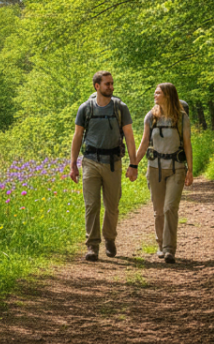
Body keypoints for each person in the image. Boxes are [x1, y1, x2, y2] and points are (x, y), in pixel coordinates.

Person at [69, 71, 138, 261]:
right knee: (91, 205)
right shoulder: (85, 108)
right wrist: (73, 164)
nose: (111, 87)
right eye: (107, 84)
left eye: (112, 83)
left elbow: (130, 137)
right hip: (90, 161)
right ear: (97, 86)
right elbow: (77, 137)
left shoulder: (120, 108)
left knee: (112, 206)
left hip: (113, 163)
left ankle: (109, 238)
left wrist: (134, 164)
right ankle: (92, 245)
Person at [136, 82, 194, 264]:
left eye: (158, 93)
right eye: (155, 92)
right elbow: (144, 142)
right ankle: (160, 244)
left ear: (168, 95)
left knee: (170, 208)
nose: (155, 95)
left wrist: (190, 170)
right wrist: (133, 164)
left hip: (176, 168)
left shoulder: (182, 118)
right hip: (155, 169)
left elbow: (187, 144)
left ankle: (169, 250)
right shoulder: (151, 117)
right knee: (158, 211)